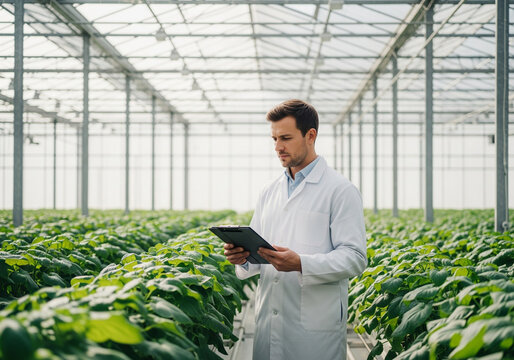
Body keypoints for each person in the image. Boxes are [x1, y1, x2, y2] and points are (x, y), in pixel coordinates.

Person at [224, 99, 367, 360]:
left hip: (314, 333)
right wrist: (242, 257)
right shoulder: (269, 191)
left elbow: (355, 258)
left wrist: (301, 263)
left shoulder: (340, 190)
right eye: (274, 139)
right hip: (269, 323)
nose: (278, 147)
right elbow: (257, 256)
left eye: (286, 138)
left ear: (310, 135)